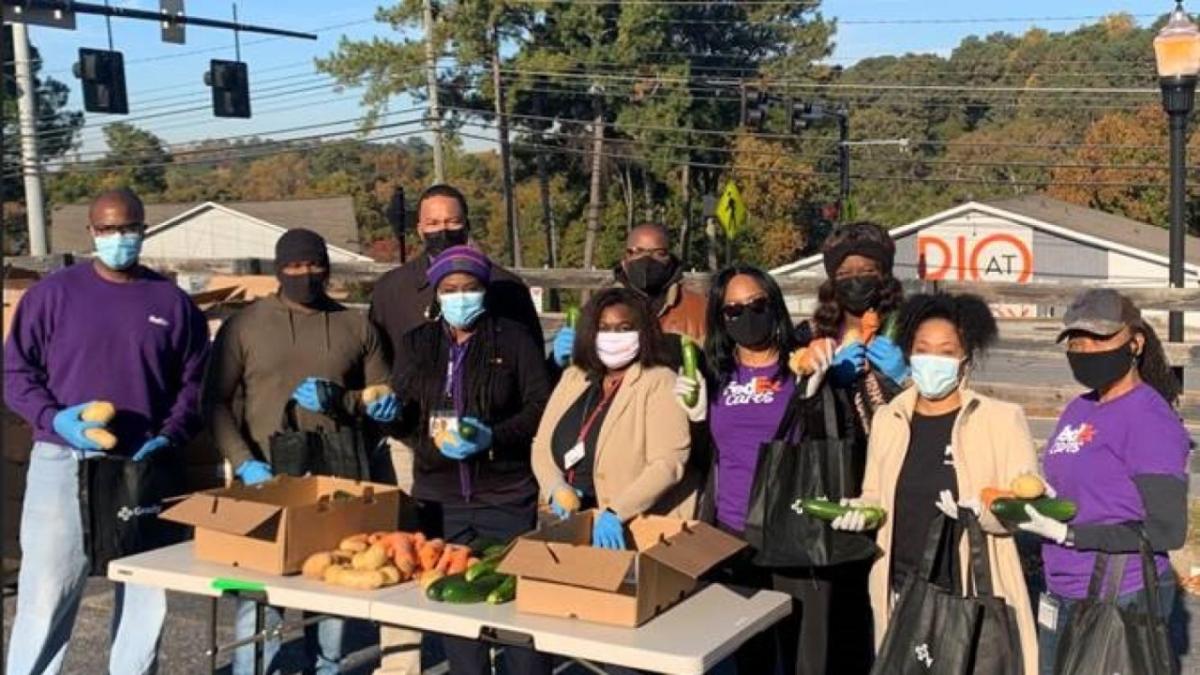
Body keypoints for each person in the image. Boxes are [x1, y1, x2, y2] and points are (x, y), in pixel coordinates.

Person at [4, 188, 209, 675]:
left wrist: (172, 433)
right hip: (63, 463)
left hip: (143, 464)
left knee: (144, 594)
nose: (120, 238)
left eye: (129, 228)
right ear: (92, 232)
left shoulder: (173, 304)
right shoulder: (51, 297)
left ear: (144, 228)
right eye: (109, 229)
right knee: (46, 593)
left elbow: (196, 383)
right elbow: (14, 373)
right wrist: (53, 419)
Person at [203, 228, 397, 675]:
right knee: (259, 601)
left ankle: (326, 669)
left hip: (337, 481)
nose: (305, 275)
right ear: (278, 270)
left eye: (313, 266)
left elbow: (381, 401)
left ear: (327, 268)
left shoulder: (356, 325)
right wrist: (243, 461)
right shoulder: (245, 326)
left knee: (330, 600)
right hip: (267, 480)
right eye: (293, 267)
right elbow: (214, 401)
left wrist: (357, 402)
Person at [367, 183, 542, 674]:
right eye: (450, 289)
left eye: (469, 288)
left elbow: (538, 403)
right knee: (455, 622)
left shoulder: (513, 339)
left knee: (519, 624)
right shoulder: (418, 343)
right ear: (436, 294)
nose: (460, 296)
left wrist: (494, 435)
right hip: (439, 497)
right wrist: (388, 413)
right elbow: (404, 404)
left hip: (505, 494)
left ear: (483, 290)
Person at [832, 293, 1038, 674]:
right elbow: (875, 494)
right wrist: (860, 512)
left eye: (946, 351)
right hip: (901, 590)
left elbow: (1021, 509)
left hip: (970, 591)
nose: (932, 359)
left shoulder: (1000, 419)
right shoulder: (889, 419)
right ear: (909, 353)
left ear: (964, 359)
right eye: (923, 349)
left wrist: (982, 511)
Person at [1017, 289, 1188, 674]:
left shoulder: (1149, 419)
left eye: (1099, 337)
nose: (1087, 348)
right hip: (1062, 589)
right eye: (1077, 340)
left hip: (1119, 595)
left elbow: (1167, 530)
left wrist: (1073, 536)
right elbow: (1080, 492)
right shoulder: (1079, 408)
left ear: (1135, 342)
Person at [674, 265, 816, 674]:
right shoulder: (712, 373)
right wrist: (693, 417)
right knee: (748, 651)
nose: (746, 316)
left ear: (774, 304)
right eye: (733, 310)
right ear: (720, 318)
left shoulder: (801, 365)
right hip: (731, 528)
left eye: (756, 304)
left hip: (788, 527)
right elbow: (702, 455)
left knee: (796, 647)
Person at [533, 288, 693, 544]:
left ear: (643, 332)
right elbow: (541, 446)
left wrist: (616, 511)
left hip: (627, 524)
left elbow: (668, 462)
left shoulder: (660, 382)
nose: (612, 336)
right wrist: (554, 487)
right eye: (604, 328)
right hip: (566, 517)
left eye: (624, 328)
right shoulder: (574, 377)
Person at [551, 223, 706, 369]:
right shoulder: (599, 307)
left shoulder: (699, 308)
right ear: (625, 260)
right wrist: (557, 361)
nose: (647, 260)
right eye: (637, 251)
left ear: (670, 259)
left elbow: (717, 365)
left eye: (658, 253)